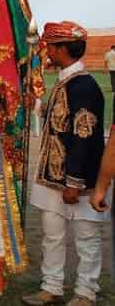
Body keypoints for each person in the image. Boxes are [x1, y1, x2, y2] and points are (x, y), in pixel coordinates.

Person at [23, 21, 107, 306]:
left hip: (78, 180)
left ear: (62, 49)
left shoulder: (84, 86)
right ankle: (52, 287)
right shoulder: (66, 82)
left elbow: (83, 135)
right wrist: (36, 105)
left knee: (86, 237)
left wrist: (73, 182)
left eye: (50, 46)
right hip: (52, 178)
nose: (47, 51)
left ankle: (85, 292)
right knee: (52, 236)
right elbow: (60, 120)